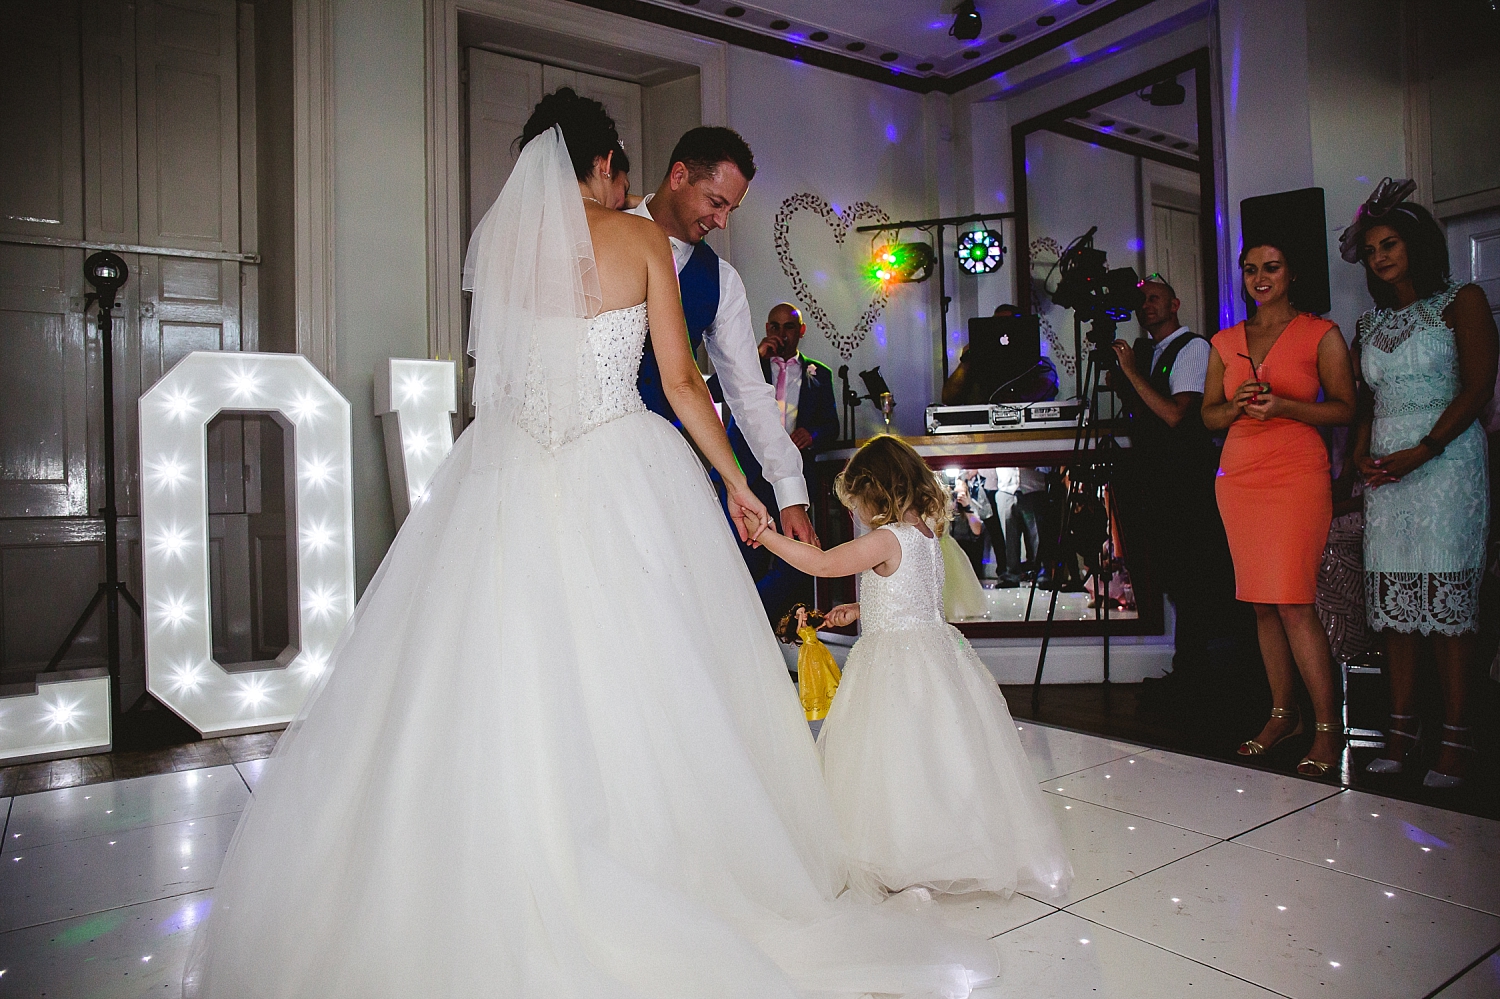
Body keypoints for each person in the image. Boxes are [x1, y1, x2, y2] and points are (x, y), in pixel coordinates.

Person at [183, 89, 995, 999]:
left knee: (494, 678)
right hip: (625, 471)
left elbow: (501, 379)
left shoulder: (498, 249)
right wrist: (739, 485)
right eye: (619, 172)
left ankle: (480, 865)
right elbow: (685, 386)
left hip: (506, 474)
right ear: (607, 165)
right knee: (655, 672)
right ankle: (653, 855)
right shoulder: (638, 239)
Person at [750, 435, 1073, 900]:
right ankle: (947, 843)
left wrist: (765, 536)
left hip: (892, 666)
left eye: (857, 502)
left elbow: (821, 563)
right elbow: (913, 593)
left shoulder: (885, 538)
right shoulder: (925, 535)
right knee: (935, 755)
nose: (856, 512)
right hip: (935, 657)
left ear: (875, 491)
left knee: (891, 756)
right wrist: (862, 611)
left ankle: (897, 854)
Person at [1340, 178, 1498, 788]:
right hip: (1386, 474)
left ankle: (1455, 744)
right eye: (1373, 249)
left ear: (1417, 245)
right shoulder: (1369, 323)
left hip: (1447, 464)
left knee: (1448, 611)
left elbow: (1478, 386)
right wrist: (1360, 456)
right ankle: (1402, 737)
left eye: (1391, 244)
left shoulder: (1464, 300)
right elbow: (1361, 403)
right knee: (1396, 609)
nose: (1381, 257)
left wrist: (1426, 448)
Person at [1203, 240, 1357, 776]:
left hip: (1296, 476)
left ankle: (1327, 728)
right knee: (1262, 603)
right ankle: (1281, 715)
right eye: (1250, 270)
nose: (1260, 278)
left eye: (1271, 267)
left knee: (1294, 601)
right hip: (1240, 478)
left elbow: (1344, 409)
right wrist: (1236, 404)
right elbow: (1207, 417)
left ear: (1292, 272)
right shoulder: (1224, 341)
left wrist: (1285, 404)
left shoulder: (1322, 334)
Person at [628, 128, 820, 550]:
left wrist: (790, 493)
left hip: (661, 467)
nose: (721, 221)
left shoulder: (722, 281)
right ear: (679, 176)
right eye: (716, 203)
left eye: (731, 209)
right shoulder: (603, 233)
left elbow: (749, 393)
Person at [1109, 277, 1245, 698]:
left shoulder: (1193, 348)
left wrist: (1130, 372)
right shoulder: (1150, 351)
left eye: (1155, 298)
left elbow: (1175, 415)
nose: (1146, 306)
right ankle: (1187, 669)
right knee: (1172, 572)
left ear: (1175, 303)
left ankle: (1198, 672)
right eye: (1141, 300)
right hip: (1158, 479)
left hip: (1188, 480)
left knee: (1193, 575)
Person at [713, 302, 840, 618]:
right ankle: (748, 622)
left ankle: (759, 618)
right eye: (774, 326)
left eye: (788, 327)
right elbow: (714, 391)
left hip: (793, 482)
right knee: (747, 555)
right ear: (766, 329)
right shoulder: (750, 364)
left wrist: (812, 435)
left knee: (793, 561)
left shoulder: (819, 374)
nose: (780, 334)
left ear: (801, 331)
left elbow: (831, 424)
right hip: (749, 477)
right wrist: (754, 357)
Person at [941, 304, 1061, 405]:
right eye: (996, 325)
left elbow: (1044, 387)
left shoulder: (1041, 364)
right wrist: (965, 362)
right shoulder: (978, 363)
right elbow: (949, 399)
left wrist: (1013, 398)